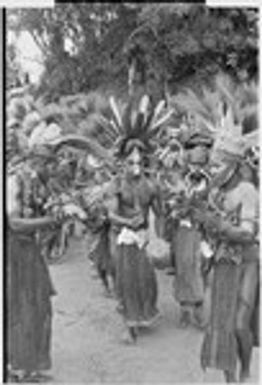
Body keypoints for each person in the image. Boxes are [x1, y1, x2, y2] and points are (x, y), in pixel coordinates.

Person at [198, 134, 259, 382]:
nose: (213, 169)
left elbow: (248, 234)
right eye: (212, 164)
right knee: (221, 323)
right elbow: (207, 228)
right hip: (222, 263)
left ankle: (245, 369)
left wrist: (217, 224)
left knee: (239, 326)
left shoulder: (247, 191)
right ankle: (230, 377)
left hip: (246, 263)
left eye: (218, 164)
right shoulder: (213, 191)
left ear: (233, 165)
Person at [6, 154, 58, 383]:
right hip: (14, 253)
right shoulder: (13, 182)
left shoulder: (35, 183)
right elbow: (15, 224)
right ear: (32, 161)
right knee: (22, 306)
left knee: (39, 305)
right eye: (45, 162)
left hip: (29, 251)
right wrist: (49, 221)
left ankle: (30, 364)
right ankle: (18, 366)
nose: (48, 168)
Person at [171, 131, 213, 328]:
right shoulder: (180, 181)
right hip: (183, 233)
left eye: (200, 164)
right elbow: (170, 205)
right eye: (193, 164)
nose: (196, 168)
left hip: (202, 232)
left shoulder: (211, 183)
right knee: (184, 268)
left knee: (201, 267)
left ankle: (198, 308)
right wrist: (177, 210)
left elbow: (215, 208)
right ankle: (184, 310)